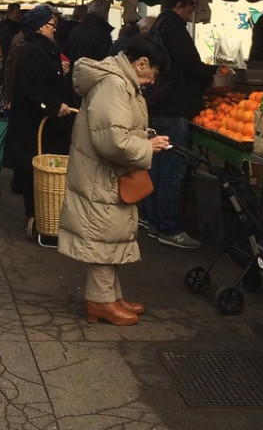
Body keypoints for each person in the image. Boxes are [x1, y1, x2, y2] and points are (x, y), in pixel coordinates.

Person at [57, 35, 171, 326]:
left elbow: (115, 130)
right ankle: (100, 301)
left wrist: (144, 138)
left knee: (110, 236)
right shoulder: (115, 84)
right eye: (153, 74)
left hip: (103, 176)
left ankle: (111, 296)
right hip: (102, 177)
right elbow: (113, 142)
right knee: (103, 237)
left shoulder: (117, 80)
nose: (151, 82)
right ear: (142, 64)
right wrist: (148, 147)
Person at [143, 0, 215, 250]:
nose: (190, 14)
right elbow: (190, 63)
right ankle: (169, 227)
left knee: (155, 168)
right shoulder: (173, 26)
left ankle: (153, 222)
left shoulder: (158, 26)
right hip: (174, 107)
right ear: (180, 5)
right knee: (171, 171)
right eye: (189, 9)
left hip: (157, 105)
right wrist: (210, 75)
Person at [2, 5, 75, 237]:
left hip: (40, 124)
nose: (55, 29)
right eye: (53, 25)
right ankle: (37, 218)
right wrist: (55, 105)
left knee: (37, 171)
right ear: (42, 27)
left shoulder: (40, 48)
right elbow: (33, 85)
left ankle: (41, 217)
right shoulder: (34, 50)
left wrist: (59, 72)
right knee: (35, 172)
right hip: (36, 125)